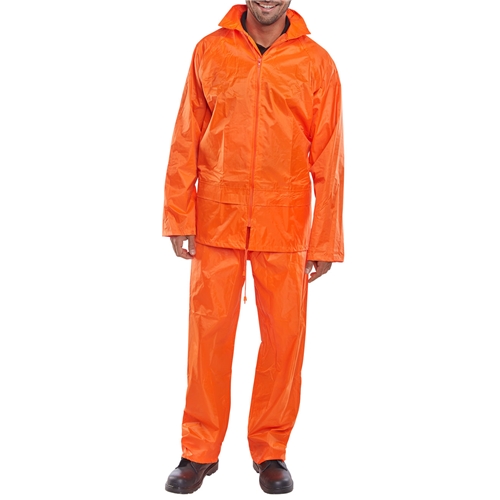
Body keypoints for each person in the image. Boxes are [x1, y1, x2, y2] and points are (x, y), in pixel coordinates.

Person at [162, 1, 344, 494]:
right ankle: (198, 451)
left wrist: (325, 238)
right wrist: (179, 212)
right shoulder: (209, 51)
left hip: (285, 225)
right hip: (216, 220)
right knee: (208, 338)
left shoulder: (317, 64)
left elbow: (329, 155)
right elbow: (186, 135)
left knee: (284, 341)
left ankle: (271, 450)